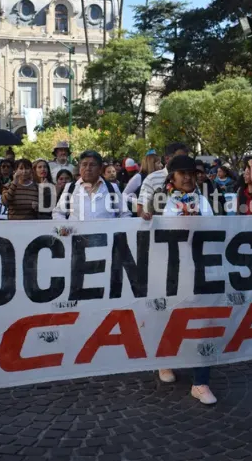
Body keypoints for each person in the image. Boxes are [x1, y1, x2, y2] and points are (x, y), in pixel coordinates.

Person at [142, 155, 217, 405]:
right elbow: (152, 230)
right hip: (169, 271)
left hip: (199, 270)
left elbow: (212, 230)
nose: (187, 177)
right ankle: (165, 360)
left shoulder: (203, 200)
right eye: (181, 173)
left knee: (202, 324)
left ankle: (201, 381)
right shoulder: (161, 201)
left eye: (191, 173)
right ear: (171, 177)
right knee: (170, 318)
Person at [54, 150, 131, 220]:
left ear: (100, 169)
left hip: (107, 234)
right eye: (84, 164)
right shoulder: (70, 188)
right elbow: (58, 213)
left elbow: (125, 214)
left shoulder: (112, 188)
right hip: (76, 234)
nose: (88, 168)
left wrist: (116, 231)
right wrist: (65, 228)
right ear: (80, 168)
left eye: (92, 165)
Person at [138, 143, 189, 219]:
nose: (183, 162)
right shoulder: (152, 178)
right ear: (167, 158)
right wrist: (145, 215)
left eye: (186, 159)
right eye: (179, 158)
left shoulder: (189, 178)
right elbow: (140, 207)